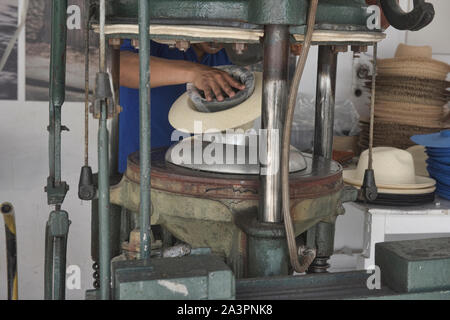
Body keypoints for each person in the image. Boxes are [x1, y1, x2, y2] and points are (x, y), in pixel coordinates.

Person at [118, 40, 244, 173]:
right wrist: (194, 72)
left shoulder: (226, 55)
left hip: (196, 177)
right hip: (140, 176)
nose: (218, 39)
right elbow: (120, 66)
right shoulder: (156, 37)